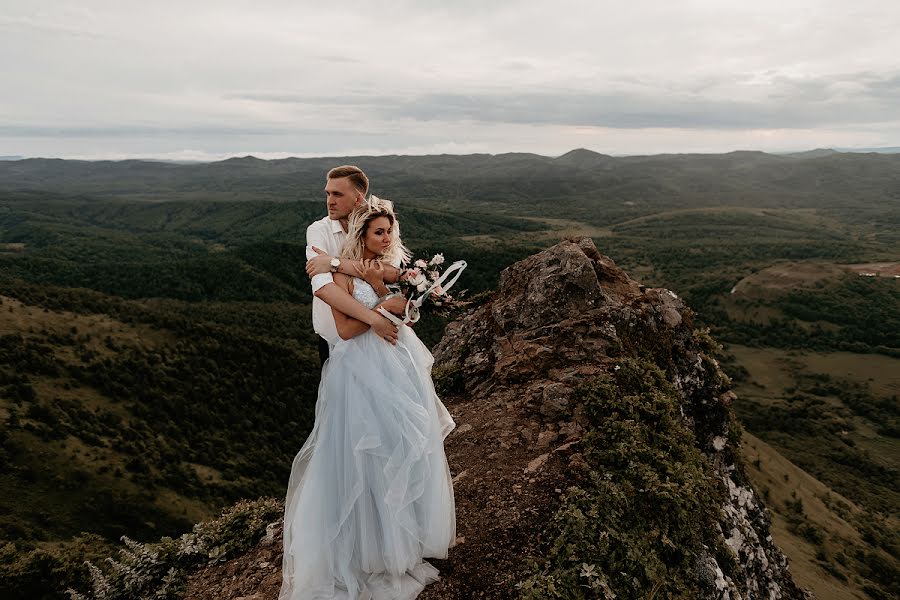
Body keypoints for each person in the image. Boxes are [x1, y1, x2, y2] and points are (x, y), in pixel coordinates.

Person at [280, 197, 457, 600]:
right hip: (359, 371)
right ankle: (365, 550)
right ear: (362, 234)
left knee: (401, 447)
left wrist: (404, 308)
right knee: (365, 455)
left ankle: (401, 542)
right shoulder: (342, 276)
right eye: (379, 232)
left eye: (390, 231)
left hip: (398, 364)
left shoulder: (393, 270)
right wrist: (382, 311)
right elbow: (343, 329)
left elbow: (411, 308)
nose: (387, 237)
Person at [305, 165, 402, 366]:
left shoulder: (380, 226)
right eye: (328, 194)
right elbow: (323, 288)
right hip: (334, 339)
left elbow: (392, 273)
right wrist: (375, 318)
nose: (330, 201)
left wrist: (333, 263)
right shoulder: (318, 231)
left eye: (337, 194)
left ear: (358, 199)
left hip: (382, 338)